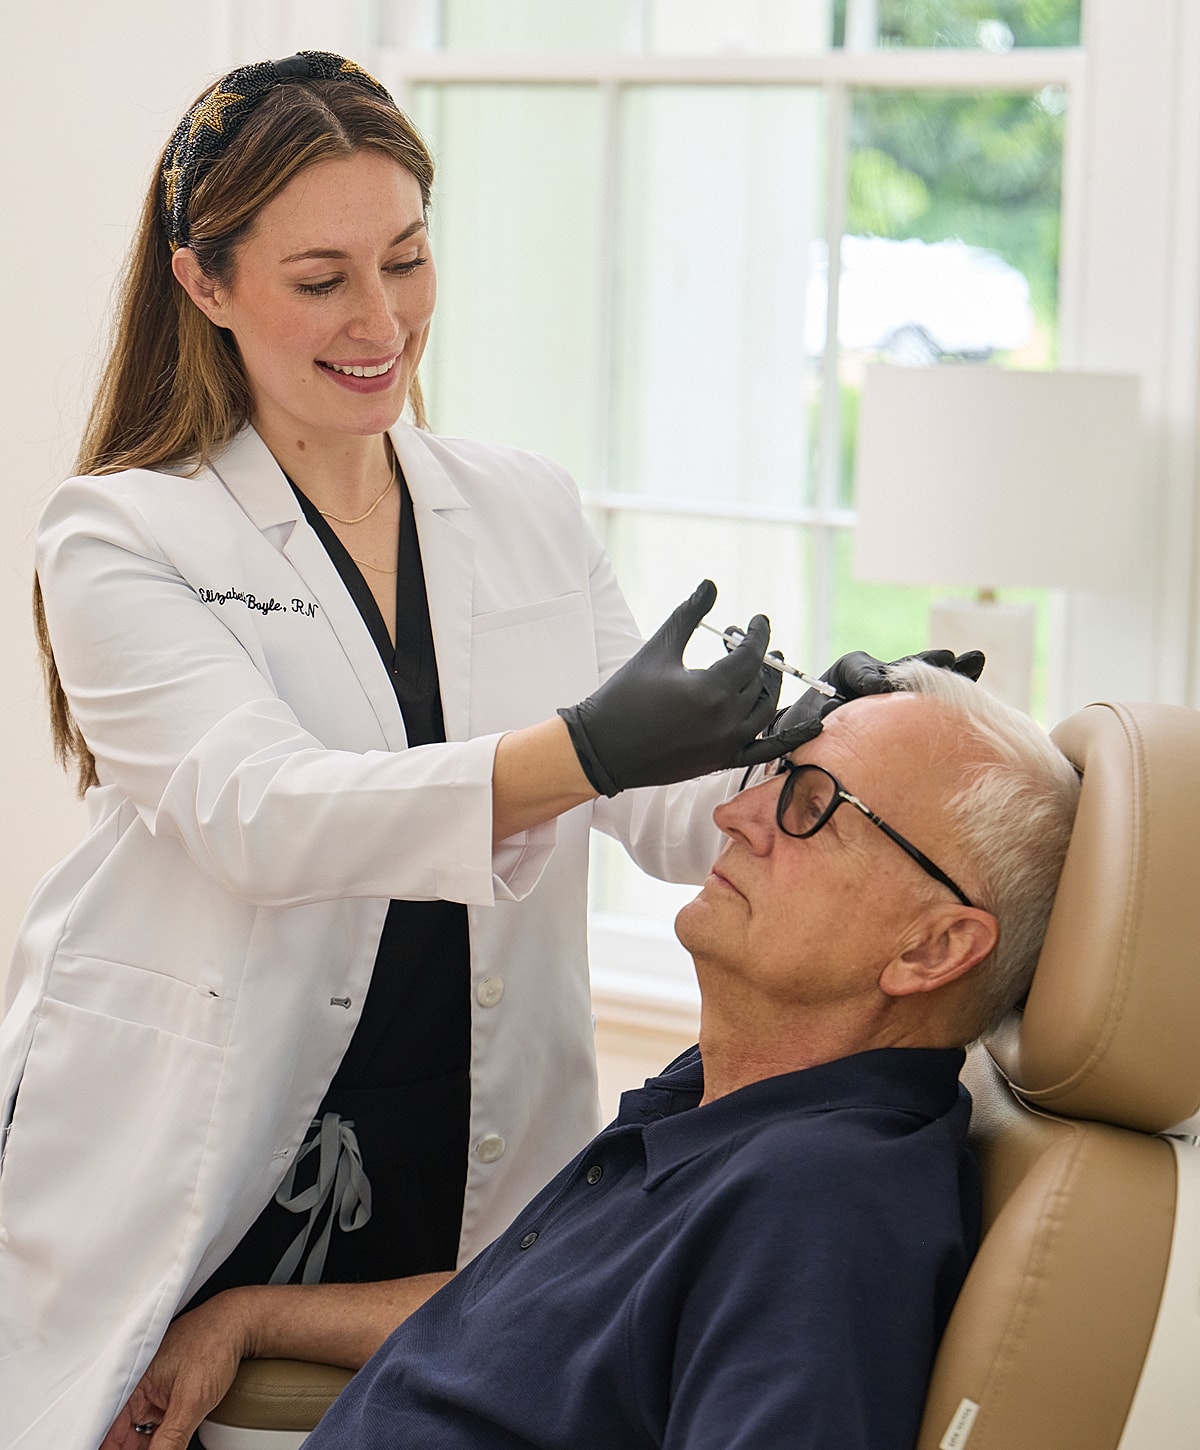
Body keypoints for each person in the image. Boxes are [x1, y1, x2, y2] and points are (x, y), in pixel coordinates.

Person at [0, 52, 979, 1449]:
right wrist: (582, 749)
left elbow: (670, 808)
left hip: (459, 1149)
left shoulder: (521, 507)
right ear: (203, 283)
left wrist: (832, 730)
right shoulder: (122, 533)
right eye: (321, 276)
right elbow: (259, 815)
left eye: (406, 258)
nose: (382, 318)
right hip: (195, 1158)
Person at [103, 660, 1078, 1450]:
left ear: (933, 948)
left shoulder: (821, 1204)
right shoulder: (719, 1104)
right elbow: (540, 1323)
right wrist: (254, 1317)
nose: (732, 818)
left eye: (812, 803)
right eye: (768, 780)